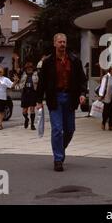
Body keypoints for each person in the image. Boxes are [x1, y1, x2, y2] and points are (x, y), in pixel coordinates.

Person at [36, 33, 87, 172]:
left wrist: (82, 94)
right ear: (54, 44)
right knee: (57, 129)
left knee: (70, 130)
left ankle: (60, 148)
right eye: (60, 42)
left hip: (70, 97)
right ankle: (58, 159)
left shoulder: (75, 60)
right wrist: (39, 100)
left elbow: (82, 79)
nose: (62, 44)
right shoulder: (48, 62)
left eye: (64, 42)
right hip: (55, 98)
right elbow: (42, 82)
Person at [18, 62, 39, 130]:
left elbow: (39, 81)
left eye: (30, 68)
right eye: (27, 68)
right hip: (25, 93)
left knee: (32, 109)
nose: (29, 69)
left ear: (32, 68)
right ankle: (26, 119)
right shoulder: (23, 74)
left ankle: (32, 124)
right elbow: (17, 70)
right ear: (26, 69)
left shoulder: (36, 74)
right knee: (24, 111)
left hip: (32, 93)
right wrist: (16, 60)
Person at [98, 66, 112, 131]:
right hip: (107, 96)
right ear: (110, 70)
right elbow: (103, 86)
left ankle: (110, 125)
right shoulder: (106, 77)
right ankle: (103, 123)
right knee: (106, 111)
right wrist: (101, 95)